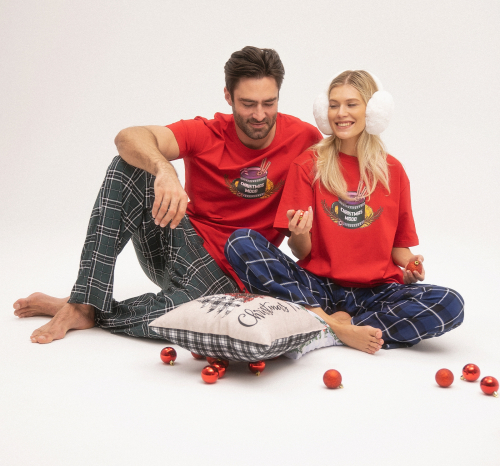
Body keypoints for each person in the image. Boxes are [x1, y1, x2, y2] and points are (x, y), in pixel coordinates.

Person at [13, 46, 322, 343]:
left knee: (191, 319)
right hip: (176, 243)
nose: (259, 114)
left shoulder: (304, 138)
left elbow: (338, 173)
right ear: (228, 96)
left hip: (229, 277)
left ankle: (89, 305)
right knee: (129, 165)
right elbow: (128, 137)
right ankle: (83, 301)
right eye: (248, 103)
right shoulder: (206, 132)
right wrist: (165, 170)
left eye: (269, 103)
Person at [225, 70, 464, 354]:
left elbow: (399, 247)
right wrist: (300, 232)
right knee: (241, 242)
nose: (340, 113)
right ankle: (336, 326)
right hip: (317, 287)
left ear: (373, 111)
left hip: (376, 291)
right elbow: (302, 252)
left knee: (451, 303)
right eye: (334, 105)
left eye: (351, 104)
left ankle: (332, 326)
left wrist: (411, 263)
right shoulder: (308, 165)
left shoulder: (393, 171)